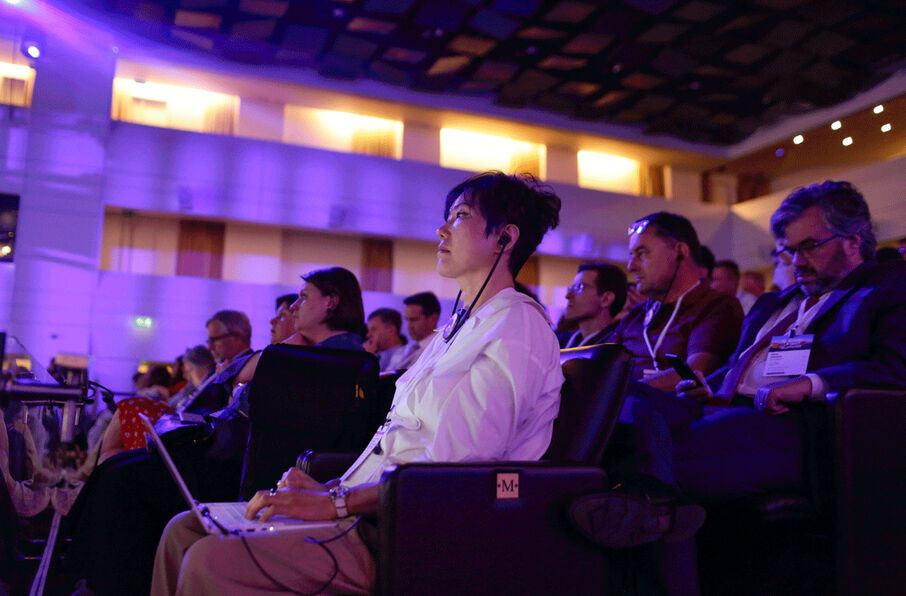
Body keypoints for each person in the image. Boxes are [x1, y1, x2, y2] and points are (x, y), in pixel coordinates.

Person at [151, 170, 565, 596]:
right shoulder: (454, 330)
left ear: (504, 238)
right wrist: (331, 487)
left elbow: (455, 471)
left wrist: (336, 502)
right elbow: (398, 440)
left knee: (210, 558)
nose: (441, 230)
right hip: (368, 509)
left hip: (411, 531)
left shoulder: (517, 326)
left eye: (460, 216)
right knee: (183, 531)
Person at [561, 262, 628, 348]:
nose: (568, 296)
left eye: (579, 287)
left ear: (606, 299)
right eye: (571, 288)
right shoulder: (561, 341)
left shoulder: (617, 347)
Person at [385, 291, 441, 371]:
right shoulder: (401, 351)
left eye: (414, 320)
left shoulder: (440, 351)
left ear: (433, 319)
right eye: (407, 320)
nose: (409, 326)